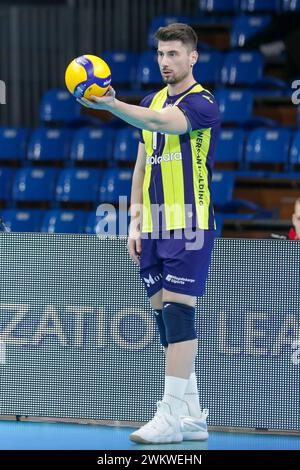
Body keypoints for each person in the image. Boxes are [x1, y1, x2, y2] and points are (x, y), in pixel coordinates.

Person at [78, 23, 220, 444]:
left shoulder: (203, 103)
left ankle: (169, 417)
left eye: (174, 54)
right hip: (155, 224)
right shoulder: (150, 99)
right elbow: (141, 165)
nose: (165, 61)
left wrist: (110, 104)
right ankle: (193, 413)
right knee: (163, 318)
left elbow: (163, 122)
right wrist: (135, 221)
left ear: (192, 57)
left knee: (178, 313)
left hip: (190, 222)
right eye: (161, 54)